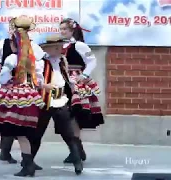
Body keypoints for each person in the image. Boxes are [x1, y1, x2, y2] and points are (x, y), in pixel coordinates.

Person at [0, 16, 45, 177]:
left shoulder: (11, 58)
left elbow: (3, 77)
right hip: (26, 93)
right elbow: (39, 75)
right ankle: (25, 163)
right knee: (19, 130)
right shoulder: (34, 53)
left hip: (9, 92)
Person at [28, 34, 83, 175]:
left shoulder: (61, 61)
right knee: (36, 134)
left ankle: (77, 161)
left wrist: (73, 85)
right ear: (49, 49)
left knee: (69, 133)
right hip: (45, 101)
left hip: (61, 100)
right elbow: (34, 81)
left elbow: (66, 77)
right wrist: (43, 85)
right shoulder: (41, 63)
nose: (60, 49)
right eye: (56, 47)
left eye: (60, 47)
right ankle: (28, 164)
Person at [59, 18, 104, 163]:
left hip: (74, 81)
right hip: (62, 81)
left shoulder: (79, 45)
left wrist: (84, 76)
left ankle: (77, 151)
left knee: (73, 116)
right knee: (64, 117)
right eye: (61, 29)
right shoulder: (60, 45)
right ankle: (77, 150)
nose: (62, 31)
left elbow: (92, 61)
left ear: (72, 30)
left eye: (64, 29)